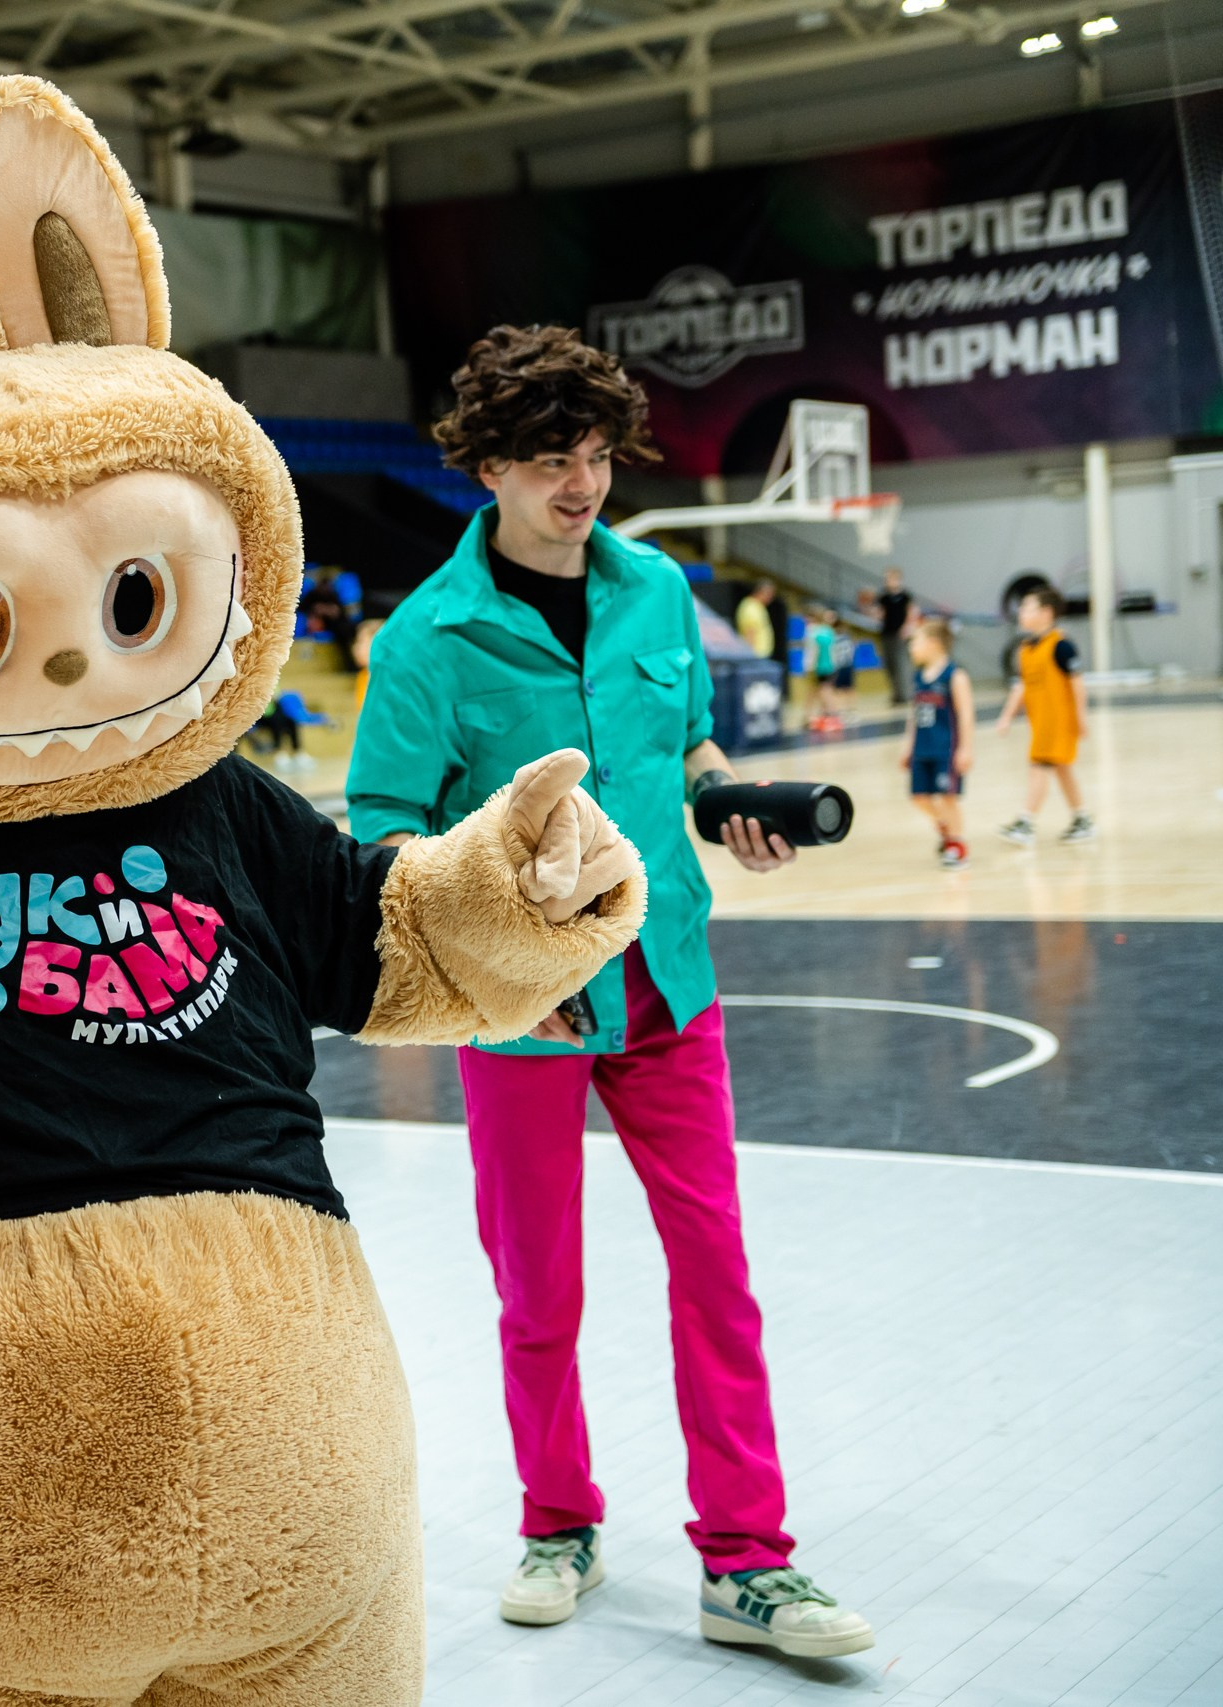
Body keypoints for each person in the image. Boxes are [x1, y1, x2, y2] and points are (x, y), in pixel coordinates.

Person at [347, 323, 875, 1660]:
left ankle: (748, 1558)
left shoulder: (653, 593)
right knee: (540, 1289)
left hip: (671, 987)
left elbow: (688, 740)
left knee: (717, 1270)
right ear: (487, 468)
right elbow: (386, 835)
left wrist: (725, 804)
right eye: (547, 459)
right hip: (523, 1014)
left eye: (593, 455)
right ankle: (557, 1516)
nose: (580, 484)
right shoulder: (427, 639)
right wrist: (489, 961)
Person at [995, 585, 1092, 845]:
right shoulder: (1025, 649)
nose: (1022, 612)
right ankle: (1082, 819)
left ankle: (1026, 822)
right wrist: (1006, 716)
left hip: (1058, 721)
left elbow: (1077, 683)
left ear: (1046, 613)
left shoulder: (1061, 646)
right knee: (1062, 769)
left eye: (1028, 607)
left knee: (1039, 767)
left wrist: (1081, 718)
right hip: (1039, 722)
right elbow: (1022, 686)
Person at [902, 619, 975, 868]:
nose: (911, 647)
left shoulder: (954, 675)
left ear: (933, 643)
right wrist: (908, 746)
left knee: (947, 798)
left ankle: (956, 843)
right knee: (918, 797)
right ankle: (945, 826)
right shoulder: (919, 677)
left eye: (915, 641)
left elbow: (966, 714)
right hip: (922, 749)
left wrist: (965, 749)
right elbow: (914, 715)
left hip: (946, 750)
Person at [874, 568, 914, 705]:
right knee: (889, 665)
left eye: (890, 578)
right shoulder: (883, 597)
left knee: (902, 664)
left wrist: (906, 628)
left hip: (900, 634)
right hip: (886, 633)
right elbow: (880, 613)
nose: (887, 581)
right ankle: (896, 694)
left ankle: (906, 694)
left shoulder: (905, 596)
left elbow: (910, 613)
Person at [734, 579, 778, 661]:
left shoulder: (758, 606)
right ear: (762, 592)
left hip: (761, 655)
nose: (771, 599)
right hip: (755, 656)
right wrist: (750, 656)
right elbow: (749, 632)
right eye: (770, 595)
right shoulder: (750, 607)